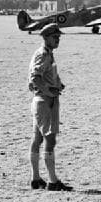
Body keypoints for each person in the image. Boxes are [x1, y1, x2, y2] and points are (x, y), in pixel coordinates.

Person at [28, 23, 73, 191]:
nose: (58, 40)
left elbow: (42, 75)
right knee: (50, 139)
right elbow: (35, 77)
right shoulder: (44, 55)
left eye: (58, 37)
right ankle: (53, 181)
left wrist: (58, 84)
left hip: (41, 100)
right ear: (46, 37)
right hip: (45, 101)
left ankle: (36, 179)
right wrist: (48, 90)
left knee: (38, 139)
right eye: (55, 37)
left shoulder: (46, 54)